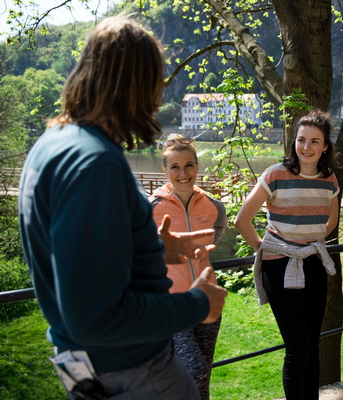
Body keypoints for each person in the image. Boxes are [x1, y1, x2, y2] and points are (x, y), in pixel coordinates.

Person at [18, 17, 227, 399]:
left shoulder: (53, 144)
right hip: (134, 372)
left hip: (94, 369)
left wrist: (145, 248)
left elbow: (75, 259)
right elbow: (95, 317)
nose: (158, 97)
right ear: (139, 84)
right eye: (156, 83)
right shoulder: (95, 163)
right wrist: (197, 304)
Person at [234, 110, 339, 400]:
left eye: (315, 141)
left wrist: (309, 242)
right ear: (294, 142)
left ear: (325, 146)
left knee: (313, 346)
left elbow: (330, 222)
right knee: (298, 350)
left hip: (314, 264)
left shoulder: (329, 179)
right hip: (280, 267)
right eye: (301, 140)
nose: (307, 147)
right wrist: (270, 250)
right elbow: (242, 220)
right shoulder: (275, 174)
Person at [150, 134, 227, 398]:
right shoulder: (151, 208)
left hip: (207, 299)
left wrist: (202, 250)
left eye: (189, 165)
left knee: (203, 375)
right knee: (195, 371)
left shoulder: (213, 204)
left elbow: (219, 227)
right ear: (165, 171)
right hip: (171, 302)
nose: (183, 173)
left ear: (197, 166)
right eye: (174, 167)